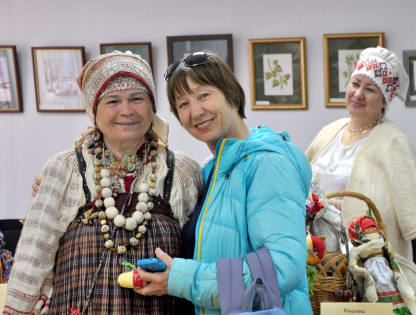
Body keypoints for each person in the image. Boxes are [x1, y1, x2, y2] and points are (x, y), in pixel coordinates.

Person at [3, 51, 202, 314]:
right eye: (113, 101)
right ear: (93, 110)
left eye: (137, 98)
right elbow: (32, 258)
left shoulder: (182, 171)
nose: (127, 110)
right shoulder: (66, 168)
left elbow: (196, 255)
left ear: (153, 106)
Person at [133, 52, 313, 315]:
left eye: (204, 95)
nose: (195, 111)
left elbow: (282, 268)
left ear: (231, 95)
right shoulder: (210, 171)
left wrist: (182, 279)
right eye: (183, 104)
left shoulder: (266, 164)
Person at [306, 46, 416, 291]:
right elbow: (300, 178)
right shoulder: (330, 131)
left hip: (365, 266)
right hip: (318, 261)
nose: (358, 94)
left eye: (370, 89)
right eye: (355, 83)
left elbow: (413, 215)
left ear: (384, 101)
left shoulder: (393, 139)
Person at [347, 216, 416, 314]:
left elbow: (390, 253)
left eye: (373, 229)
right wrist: (359, 270)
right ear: (359, 234)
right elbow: (352, 265)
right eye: (367, 230)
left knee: (390, 283)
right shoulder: (358, 249)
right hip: (371, 272)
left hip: (384, 267)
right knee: (376, 288)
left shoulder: (382, 243)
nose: (371, 232)